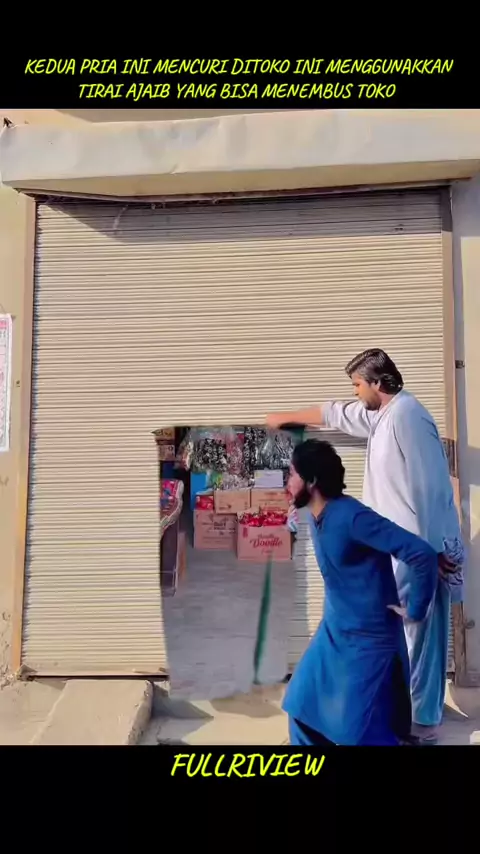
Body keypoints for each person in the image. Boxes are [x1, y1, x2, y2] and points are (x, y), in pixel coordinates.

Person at [268, 347, 464, 745]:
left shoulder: (408, 417)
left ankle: (424, 724)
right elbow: (338, 413)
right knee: (402, 641)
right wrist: (286, 417)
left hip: (416, 544)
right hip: (391, 549)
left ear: (377, 382)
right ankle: (402, 720)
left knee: (420, 637)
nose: (355, 392)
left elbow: (431, 486)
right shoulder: (382, 414)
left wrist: (435, 549)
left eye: (358, 385)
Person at [283, 438, 438, 746]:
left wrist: (416, 609)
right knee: (301, 707)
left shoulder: (353, 517)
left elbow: (422, 554)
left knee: (360, 731)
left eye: (292, 474)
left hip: (370, 640)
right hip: (334, 631)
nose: (287, 482)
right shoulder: (313, 514)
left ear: (312, 481)